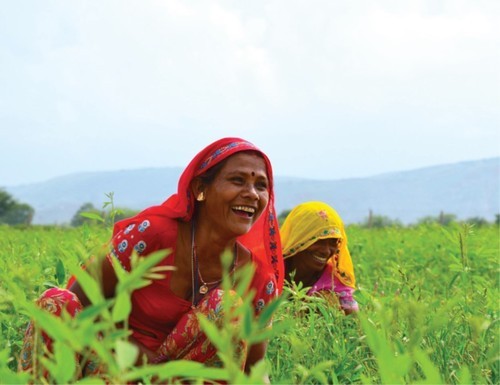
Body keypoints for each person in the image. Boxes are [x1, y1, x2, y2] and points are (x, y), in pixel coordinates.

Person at [20, 137, 284, 379]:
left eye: (261, 185)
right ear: (200, 188)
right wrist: (144, 363)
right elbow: (79, 303)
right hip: (111, 370)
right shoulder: (153, 235)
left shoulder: (258, 278)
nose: (252, 193)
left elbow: (253, 371)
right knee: (55, 303)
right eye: (238, 180)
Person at [280, 201, 358, 314]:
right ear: (298, 239)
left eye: (333, 242)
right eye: (318, 241)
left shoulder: (333, 282)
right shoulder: (270, 271)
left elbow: (354, 320)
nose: (326, 251)